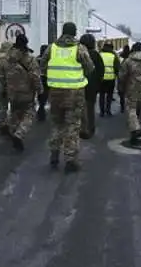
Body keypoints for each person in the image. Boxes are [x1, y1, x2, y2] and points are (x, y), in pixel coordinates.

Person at [40, 22, 94, 172]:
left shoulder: (52, 48)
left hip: (55, 92)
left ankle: (54, 154)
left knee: (57, 124)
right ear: (74, 33)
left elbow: (42, 65)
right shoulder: (80, 48)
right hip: (74, 93)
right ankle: (70, 159)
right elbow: (90, 68)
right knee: (72, 126)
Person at [2, 34, 42, 151]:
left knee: (15, 113)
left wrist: (5, 89)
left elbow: (3, 75)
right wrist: (39, 89)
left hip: (12, 92)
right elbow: (35, 76)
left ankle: (12, 130)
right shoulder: (30, 59)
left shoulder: (7, 58)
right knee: (29, 113)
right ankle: (19, 134)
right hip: (26, 92)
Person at [79, 33, 104, 138]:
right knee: (90, 108)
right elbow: (101, 71)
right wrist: (98, 85)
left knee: (80, 107)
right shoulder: (96, 55)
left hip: (79, 84)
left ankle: (82, 128)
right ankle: (91, 128)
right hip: (92, 87)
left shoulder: (79, 54)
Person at [0, 41, 13, 136]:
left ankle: (2, 124)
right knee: (13, 106)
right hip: (8, 84)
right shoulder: (8, 59)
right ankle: (10, 125)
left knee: (2, 107)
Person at [99, 42, 120, 116]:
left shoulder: (100, 54)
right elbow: (117, 67)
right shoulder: (114, 56)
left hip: (101, 79)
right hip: (111, 79)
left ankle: (102, 112)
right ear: (112, 48)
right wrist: (118, 76)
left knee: (102, 95)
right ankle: (108, 110)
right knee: (109, 96)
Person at [36, 44, 49, 121]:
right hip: (46, 80)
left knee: (41, 98)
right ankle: (41, 112)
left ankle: (41, 113)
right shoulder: (48, 59)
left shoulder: (37, 59)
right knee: (46, 97)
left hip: (39, 80)